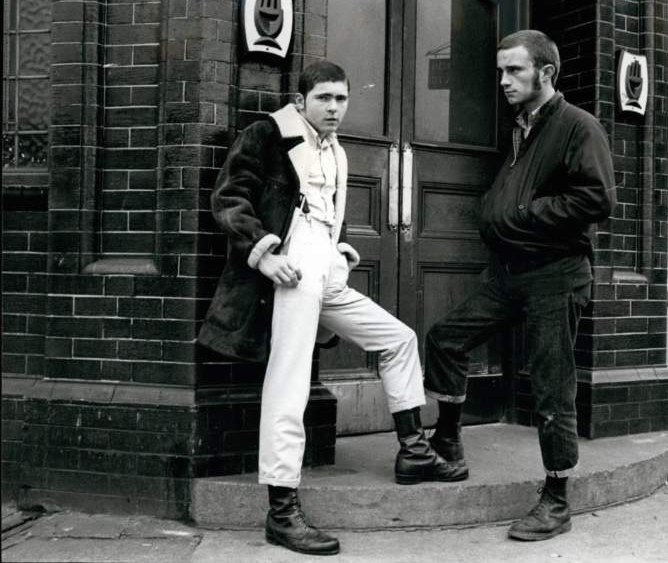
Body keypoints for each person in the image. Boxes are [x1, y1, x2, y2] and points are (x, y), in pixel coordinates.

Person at [197, 61, 466, 557]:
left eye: (341, 99)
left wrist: (338, 254)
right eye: (324, 98)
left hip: (324, 269)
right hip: (291, 267)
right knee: (290, 379)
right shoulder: (268, 133)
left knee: (398, 338)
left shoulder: (338, 151)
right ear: (301, 101)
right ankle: (281, 512)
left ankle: (413, 451)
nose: (335, 108)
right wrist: (265, 253)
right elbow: (229, 197)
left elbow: (330, 214)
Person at [423, 30, 617, 542]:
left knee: (552, 387)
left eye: (514, 71)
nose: (504, 81)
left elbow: (596, 198)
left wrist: (524, 213)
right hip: (512, 274)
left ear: (545, 73)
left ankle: (556, 499)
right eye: (501, 71)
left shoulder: (578, 126)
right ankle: (448, 442)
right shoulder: (521, 128)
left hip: (557, 275)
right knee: (445, 337)